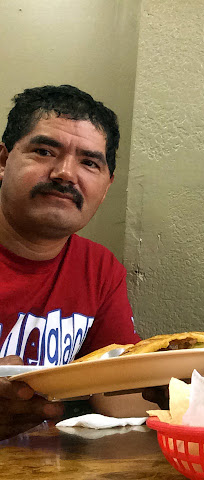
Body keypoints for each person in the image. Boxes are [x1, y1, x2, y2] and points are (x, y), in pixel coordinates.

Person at [0, 85, 143, 440]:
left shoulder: (98, 268)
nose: (65, 173)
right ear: (3, 161)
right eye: (44, 151)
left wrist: (199, 385)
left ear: (106, 187)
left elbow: (117, 394)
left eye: (89, 163)